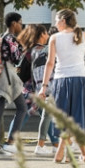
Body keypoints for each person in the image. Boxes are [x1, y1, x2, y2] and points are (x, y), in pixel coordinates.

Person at [39, 9, 85, 163]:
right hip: (80, 81)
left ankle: (62, 151)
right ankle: (81, 153)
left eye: (57, 20)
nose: (55, 23)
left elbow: (50, 63)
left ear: (63, 20)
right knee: (76, 118)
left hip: (61, 82)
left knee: (64, 118)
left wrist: (44, 86)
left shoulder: (54, 38)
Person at [0, 12, 28, 158]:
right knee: (22, 108)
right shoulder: (11, 39)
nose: (21, 25)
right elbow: (17, 59)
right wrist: (23, 47)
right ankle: (5, 144)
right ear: (14, 23)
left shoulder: (1, 36)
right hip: (7, 78)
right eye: (20, 22)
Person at [25, 24, 60, 156]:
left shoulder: (33, 50)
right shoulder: (47, 50)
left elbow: (33, 71)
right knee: (47, 116)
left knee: (48, 116)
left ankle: (56, 146)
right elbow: (52, 66)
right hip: (49, 85)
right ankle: (41, 146)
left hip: (41, 86)